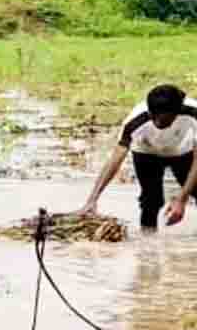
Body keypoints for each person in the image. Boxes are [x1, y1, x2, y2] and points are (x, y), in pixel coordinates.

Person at [77, 83, 197, 232]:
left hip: (182, 151)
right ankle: (147, 246)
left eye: (165, 120)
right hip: (146, 153)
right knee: (151, 201)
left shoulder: (193, 112)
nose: (158, 124)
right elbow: (115, 159)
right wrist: (92, 199)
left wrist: (181, 199)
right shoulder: (136, 120)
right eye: (154, 118)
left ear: (177, 112)